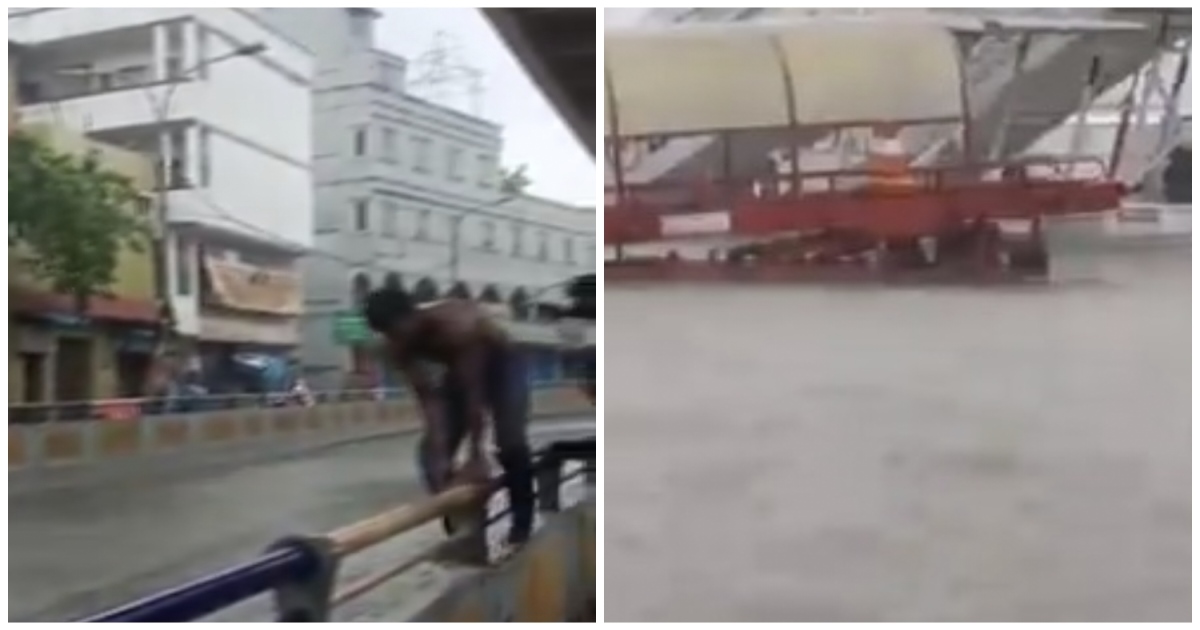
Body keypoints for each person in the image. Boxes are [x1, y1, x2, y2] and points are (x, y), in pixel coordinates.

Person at [363, 286, 535, 546]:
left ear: (411, 316)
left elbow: (474, 396)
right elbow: (430, 402)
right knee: (428, 454)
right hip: (458, 373)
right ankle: (463, 528)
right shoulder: (397, 347)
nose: (396, 339)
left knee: (510, 443)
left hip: (503, 368)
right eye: (388, 334)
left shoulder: (458, 326)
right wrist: (442, 456)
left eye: (397, 331)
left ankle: (522, 525)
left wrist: (476, 454)